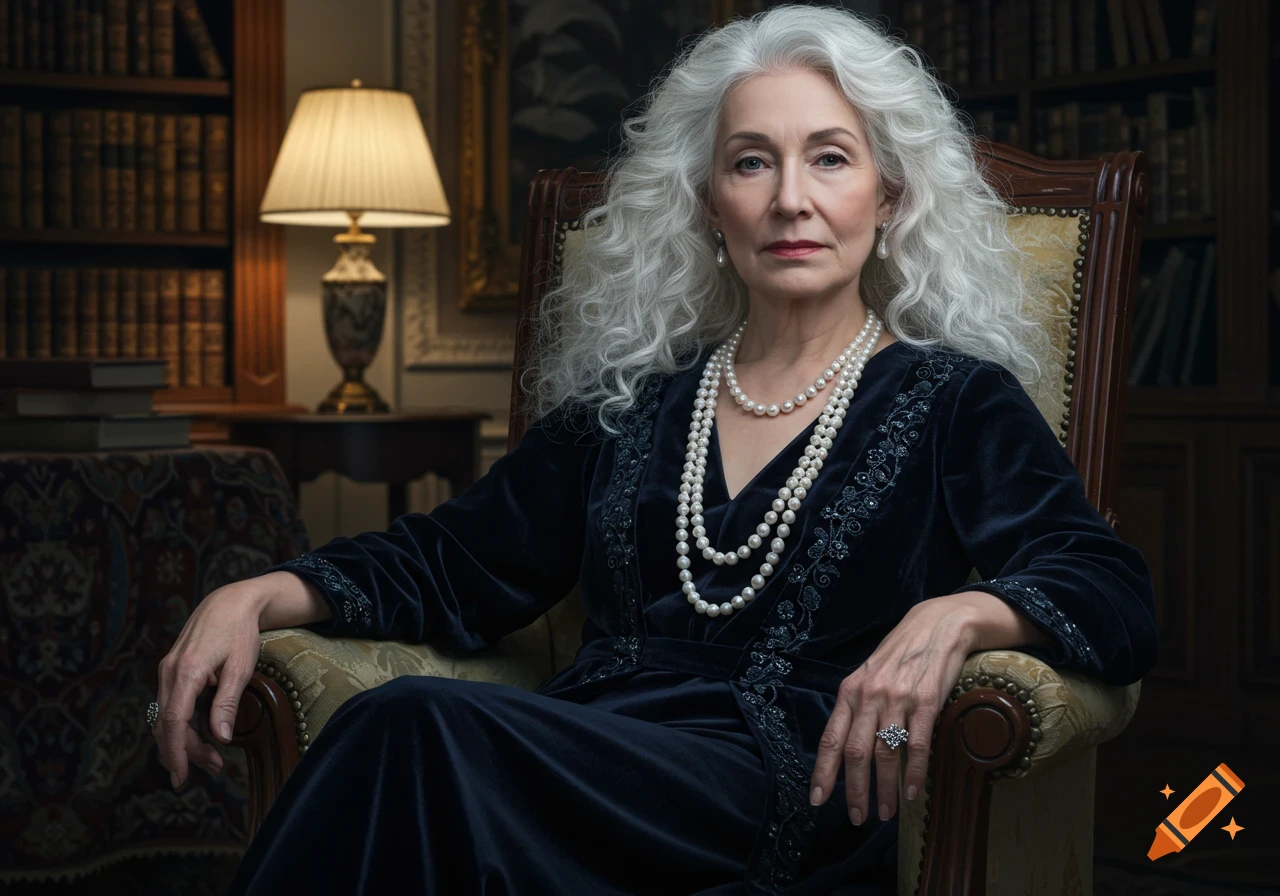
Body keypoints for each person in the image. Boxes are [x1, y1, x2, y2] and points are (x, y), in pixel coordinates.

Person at [151, 5, 1159, 894]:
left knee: (411, 727)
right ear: (709, 202)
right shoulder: (635, 400)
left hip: (787, 786)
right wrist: (256, 593)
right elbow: (454, 558)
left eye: (830, 157)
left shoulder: (952, 399)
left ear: (887, 198)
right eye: (751, 160)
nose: (790, 199)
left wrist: (960, 610)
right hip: (591, 754)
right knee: (420, 763)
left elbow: (1110, 590)